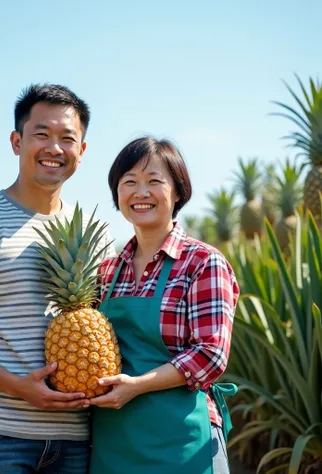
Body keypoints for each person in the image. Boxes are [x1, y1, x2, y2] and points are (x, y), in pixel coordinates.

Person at [0, 84, 114, 474]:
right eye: (41, 135)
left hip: (77, 440)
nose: (54, 148)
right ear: (17, 141)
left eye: (68, 138)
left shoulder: (95, 233)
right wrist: (18, 386)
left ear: (82, 151)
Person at [89, 136, 239, 474]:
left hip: (182, 440)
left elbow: (210, 355)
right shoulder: (107, 271)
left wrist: (137, 386)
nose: (140, 192)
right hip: (114, 439)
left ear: (178, 192)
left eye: (154, 181)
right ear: (117, 193)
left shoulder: (203, 262)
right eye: (129, 182)